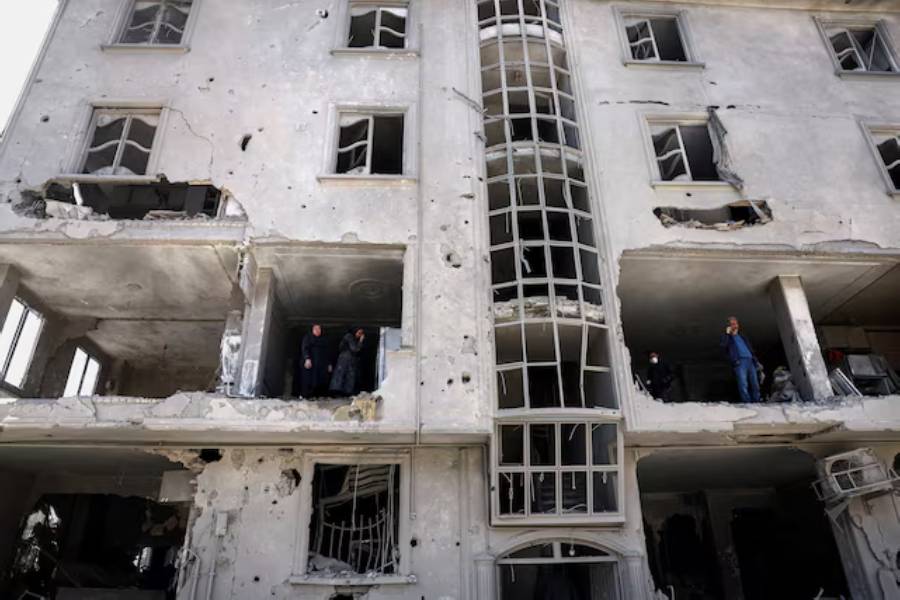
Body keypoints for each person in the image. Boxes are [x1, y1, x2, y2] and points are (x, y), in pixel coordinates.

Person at [720, 316, 761, 403]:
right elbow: (723, 346)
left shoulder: (742, 335)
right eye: (732, 324)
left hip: (750, 360)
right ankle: (747, 402)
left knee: (755, 383)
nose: (734, 325)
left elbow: (750, 348)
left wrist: (756, 361)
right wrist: (727, 334)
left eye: (735, 323)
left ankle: (757, 401)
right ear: (729, 326)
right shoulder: (727, 337)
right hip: (740, 361)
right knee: (743, 383)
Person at [297, 324, 331, 398]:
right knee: (307, 379)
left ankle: (316, 395)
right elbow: (304, 348)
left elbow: (327, 352)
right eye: (315, 329)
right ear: (312, 330)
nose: (318, 330)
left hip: (320, 364)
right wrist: (307, 358)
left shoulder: (324, 340)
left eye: (319, 329)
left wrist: (329, 363)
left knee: (319, 380)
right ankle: (305, 395)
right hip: (310, 362)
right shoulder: (308, 338)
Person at [330, 327, 365, 397]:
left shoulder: (353, 338)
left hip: (348, 361)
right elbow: (355, 349)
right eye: (359, 333)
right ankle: (337, 394)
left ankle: (345, 394)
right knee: (342, 377)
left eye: (361, 334)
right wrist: (361, 341)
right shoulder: (349, 336)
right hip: (345, 360)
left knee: (348, 378)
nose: (360, 335)